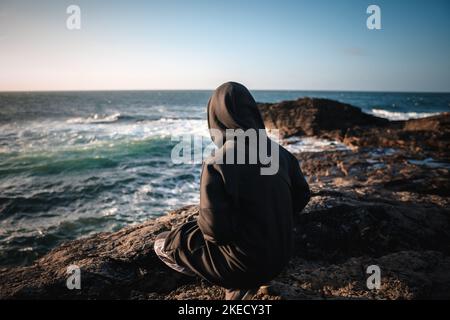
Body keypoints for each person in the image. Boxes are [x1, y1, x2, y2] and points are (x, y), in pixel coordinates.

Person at [154, 82, 310, 300]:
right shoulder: (281, 153)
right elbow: (302, 196)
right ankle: (251, 280)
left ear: (216, 118)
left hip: (244, 265)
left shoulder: (217, 162)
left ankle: (235, 283)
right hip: (280, 259)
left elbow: (215, 233)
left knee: (164, 243)